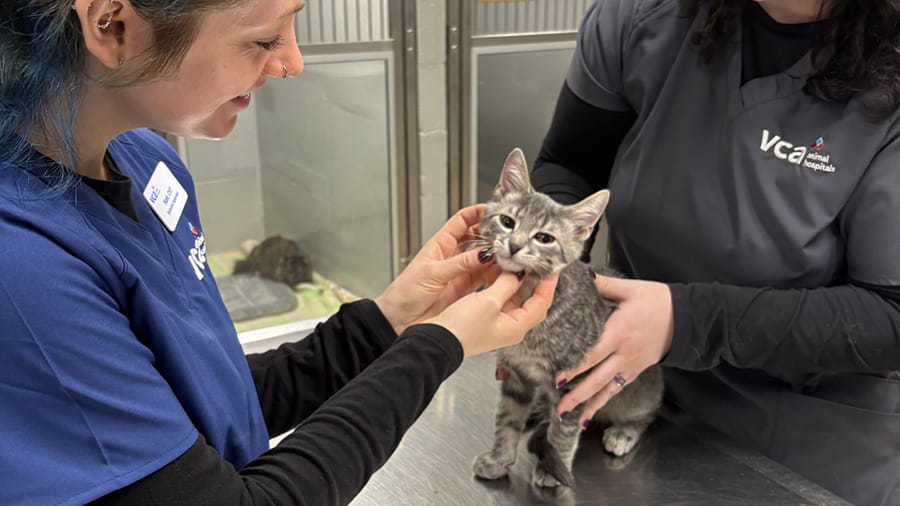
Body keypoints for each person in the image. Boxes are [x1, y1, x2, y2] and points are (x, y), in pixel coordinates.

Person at [0, 1, 560, 504]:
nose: (293, 62)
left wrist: (388, 322)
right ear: (111, 23)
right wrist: (439, 347)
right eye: (265, 39)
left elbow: (205, 405)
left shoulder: (148, 160)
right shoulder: (25, 267)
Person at [530, 0, 900, 504]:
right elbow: (570, 165)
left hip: (800, 434)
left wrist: (688, 323)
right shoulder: (645, 18)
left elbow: (890, 316)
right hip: (622, 386)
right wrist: (544, 289)